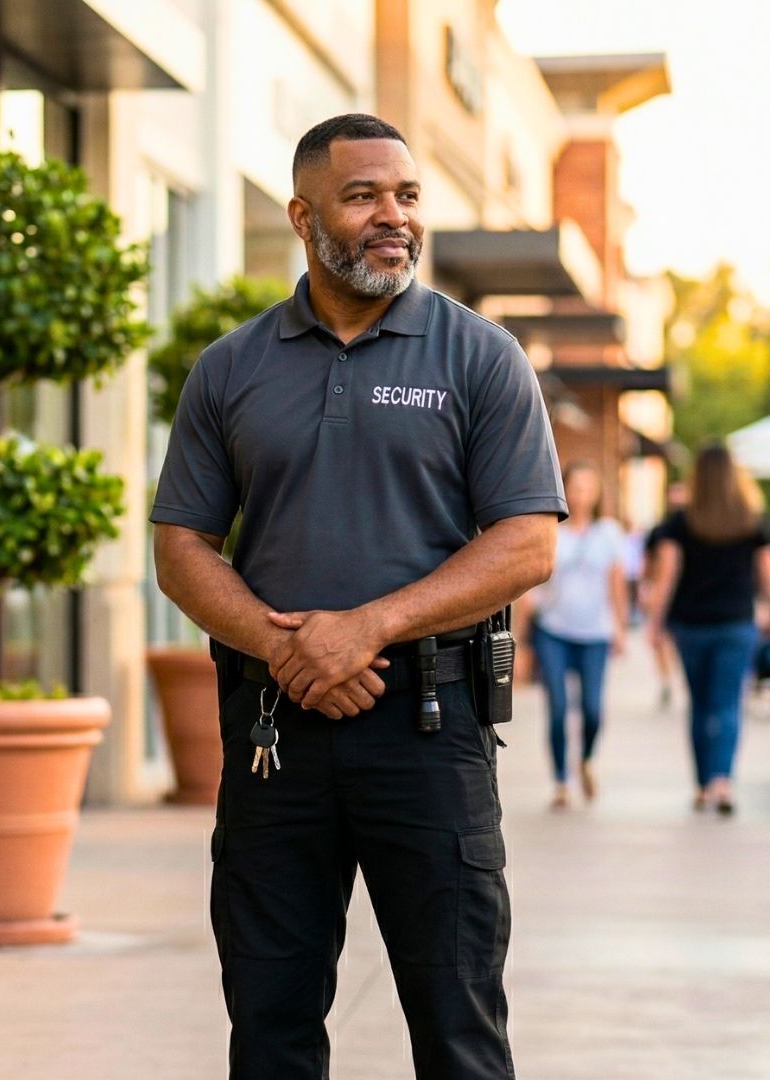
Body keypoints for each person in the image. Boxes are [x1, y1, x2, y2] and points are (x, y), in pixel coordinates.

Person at [151, 113, 566, 1080]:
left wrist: (365, 630)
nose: (394, 216)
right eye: (364, 195)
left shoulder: (480, 356)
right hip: (273, 733)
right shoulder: (231, 369)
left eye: (408, 196)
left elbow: (526, 546)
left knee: (458, 1022)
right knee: (271, 1019)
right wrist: (285, 645)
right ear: (303, 216)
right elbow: (181, 547)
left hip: (431, 725)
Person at [647, 444, 770, 814]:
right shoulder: (752, 519)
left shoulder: (681, 522)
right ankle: (722, 781)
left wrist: (655, 623)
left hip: (691, 626)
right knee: (728, 703)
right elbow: (767, 575)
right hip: (736, 624)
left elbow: (666, 577)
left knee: (700, 704)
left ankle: (703, 784)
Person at [526, 462, 627, 809]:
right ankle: (560, 781)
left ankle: (584, 758)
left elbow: (616, 583)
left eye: (588, 487)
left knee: (593, 709)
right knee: (556, 708)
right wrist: (524, 640)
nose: (581, 494)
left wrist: (620, 628)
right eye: (575, 486)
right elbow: (531, 583)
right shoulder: (550, 529)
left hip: (595, 632)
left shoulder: (609, 532)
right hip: (553, 629)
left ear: (598, 493)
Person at [641, 482, 688, 708]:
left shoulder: (695, 526)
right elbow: (648, 562)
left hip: (686, 595)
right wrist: (646, 587)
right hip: (662, 589)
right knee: (660, 639)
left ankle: (678, 677)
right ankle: (666, 679)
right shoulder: (660, 530)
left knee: (677, 640)